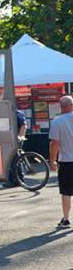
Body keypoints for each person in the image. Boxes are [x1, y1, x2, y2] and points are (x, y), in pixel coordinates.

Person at [47, 95, 73, 229]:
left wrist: (53, 160)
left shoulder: (57, 122)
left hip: (67, 160)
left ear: (61, 106)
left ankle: (66, 219)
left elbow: (54, 144)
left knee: (66, 191)